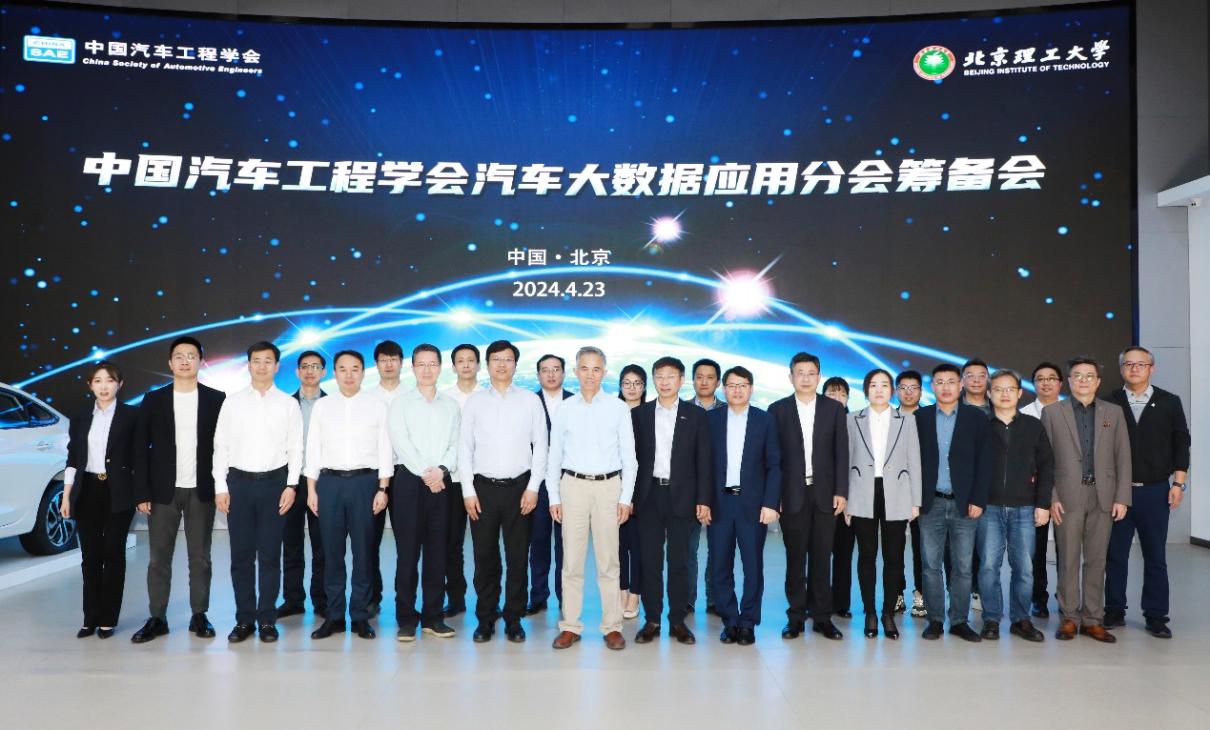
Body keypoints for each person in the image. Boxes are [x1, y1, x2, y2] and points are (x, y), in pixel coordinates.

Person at [131, 336, 226, 644]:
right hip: (163, 491)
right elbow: (139, 448)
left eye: (191, 356)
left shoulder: (216, 399)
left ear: (200, 361)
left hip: (201, 489)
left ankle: (199, 615)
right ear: (170, 363)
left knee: (200, 557)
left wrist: (223, 485)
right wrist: (141, 492)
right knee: (158, 559)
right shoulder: (154, 399)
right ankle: (157, 617)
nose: (185, 361)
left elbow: (224, 447)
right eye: (179, 356)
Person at [548, 347, 638, 651]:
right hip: (572, 486)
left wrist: (625, 498)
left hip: (608, 487)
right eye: (584, 368)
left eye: (596, 369)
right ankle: (570, 626)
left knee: (609, 561)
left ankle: (612, 626)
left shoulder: (617, 408)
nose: (590, 374)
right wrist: (553, 496)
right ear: (575, 371)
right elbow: (554, 455)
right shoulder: (565, 408)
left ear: (604, 372)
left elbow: (630, 458)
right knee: (571, 561)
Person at [212, 341, 303, 643]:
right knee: (240, 556)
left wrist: (291, 485)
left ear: (277, 366)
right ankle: (244, 620)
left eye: (268, 361)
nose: (262, 366)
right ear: (248, 365)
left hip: (275, 484)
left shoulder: (288, 404)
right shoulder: (233, 402)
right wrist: (220, 486)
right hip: (238, 484)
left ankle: (266, 620)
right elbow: (221, 446)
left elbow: (295, 448)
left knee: (270, 555)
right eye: (256, 361)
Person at [459, 340, 547, 643]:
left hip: (519, 489)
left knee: (518, 556)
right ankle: (485, 618)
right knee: (484, 557)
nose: (501, 364)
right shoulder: (475, 402)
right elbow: (464, 447)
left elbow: (541, 446)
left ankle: (513, 618)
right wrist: (468, 491)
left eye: (507, 359)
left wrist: (533, 488)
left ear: (515, 364)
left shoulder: (530, 401)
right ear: (487, 364)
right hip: (482, 489)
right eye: (496, 359)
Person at [1041, 356, 1131, 643]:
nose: (1083, 380)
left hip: (1104, 495)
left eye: (1089, 376)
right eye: (1077, 376)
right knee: (1068, 559)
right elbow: (1044, 460)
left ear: (1098, 381)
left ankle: (1093, 618)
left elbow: (1123, 456)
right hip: (1066, 496)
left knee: (1096, 559)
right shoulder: (1052, 413)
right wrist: (1051, 496)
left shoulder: (1113, 412)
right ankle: (1069, 617)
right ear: (1068, 381)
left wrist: (1122, 497)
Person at [304, 350, 393, 640]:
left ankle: (360, 616)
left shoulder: (376, 405)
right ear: (334, 373)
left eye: (355, 368)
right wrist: (311, 489)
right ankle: (334, 616)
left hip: (365, 483)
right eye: (342, 369)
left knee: (364, 553)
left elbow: (385, 447)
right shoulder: (323, 406)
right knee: (331, 553)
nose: (349, 374)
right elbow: (313, 448)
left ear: (363, 372)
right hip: (329, 483)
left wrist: (383, 488)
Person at [1105, 346, 1188, 638]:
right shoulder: (1109, 402)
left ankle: (1156, 615)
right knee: (1115, 555)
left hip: (1155, 491)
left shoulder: (1169, 401)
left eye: (1141, 364)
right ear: (1121, 369)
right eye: (1128, 364)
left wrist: (1178, 483)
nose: (1134, 369)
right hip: (1118, 493)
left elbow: (1181, 443)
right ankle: (1114, 609)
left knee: (1155, 556)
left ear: (1152, 368)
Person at [632, 357, 712, 646]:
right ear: (653, 379)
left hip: (683, 498)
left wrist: (704, 499)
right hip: (648, 496)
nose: (664, 382)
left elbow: (704, 460)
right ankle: (652, 619)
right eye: (659, 376)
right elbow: (631, 459)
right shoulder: (640, 414)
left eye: (671, 376)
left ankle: (677, 620)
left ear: (681, 380)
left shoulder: (696, 415)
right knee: (649, 561)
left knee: (679, 561)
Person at [768, 353, 848, 642]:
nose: (805, 378)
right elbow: (773, 459)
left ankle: (823, 618)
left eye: (810, 373)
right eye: (799, 373)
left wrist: (841, 491)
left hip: (825, 493)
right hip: (792, 494)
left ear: (818, 377)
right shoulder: (777, 410)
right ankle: (796, 617)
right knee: (795, 558)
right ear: (791, 377)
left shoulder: (833, 409)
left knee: (822, 558)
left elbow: (841, 453)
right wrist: (774, 496)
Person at [914, 363, 992, 643]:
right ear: (932, 386)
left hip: (964, 504)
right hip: (930, 503)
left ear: (960, 386)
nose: (945, 387)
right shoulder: (920, 417)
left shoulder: (976, 418)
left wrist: (978, 499)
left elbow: (985, 461)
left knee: (962, 566)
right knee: (930, 565)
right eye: (939, 382)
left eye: (951, 382)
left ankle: (959, 620)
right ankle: (935, 620)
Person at [387, 344, 460, 641]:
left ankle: (433, 617)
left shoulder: (451, 405)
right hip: (409, 481)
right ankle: (406, 618)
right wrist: (426, 474)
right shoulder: (401, 403)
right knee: (407, 553)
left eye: (432, 364)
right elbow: (400, 442)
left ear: (440, 367)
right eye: (421, 364)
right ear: (413, 368)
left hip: (441, 482)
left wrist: (440, 470)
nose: (427, 370)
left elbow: (455, 444)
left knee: (437, 552)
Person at [61, 361, 138, 639]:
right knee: (90, 556)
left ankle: (108, 619)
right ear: (90, 385)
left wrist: (142, 494)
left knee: (113, 553)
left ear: (120, 384)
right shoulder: (80, 418)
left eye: (110, 380)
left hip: (119, 492)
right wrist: (67, 495)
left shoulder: (132, 415)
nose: (104, 386)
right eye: (98, 381)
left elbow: (140, 457)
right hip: (87, 490)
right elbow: (73, 459)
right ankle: (90, 618)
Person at [977, 370, 1054, 643]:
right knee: (988, 566)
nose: (1005, 394)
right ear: (989, 393)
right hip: (989, 508)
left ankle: (1021, 619)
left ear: (1020, 393)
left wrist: (1043, 504)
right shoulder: (980, 425)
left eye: (1010, 389)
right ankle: (991, 618)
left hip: (1024, 508)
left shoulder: (1033, 426)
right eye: (998, 389)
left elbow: (1047, 466)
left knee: (1024, 568)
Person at [846, 369, 922, 640]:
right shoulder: (852, 419)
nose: (879, 390)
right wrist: (846, 500)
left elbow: (914, 460)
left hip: (897, 492)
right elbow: (846, 460)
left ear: (892, 390)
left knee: (894, 556)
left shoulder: (907, 420)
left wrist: (915, 500)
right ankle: (869, 612)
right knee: (866, 555)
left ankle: (888, 613)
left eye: (884, 385)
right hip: (862, 492)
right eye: (873, 385)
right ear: (866, 390)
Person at [708, 366, 781, 646]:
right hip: (720, 503)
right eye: (732, 385)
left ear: (751, 388)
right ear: (723, 388)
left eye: (742, 385)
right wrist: (703, 501)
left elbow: (774, 465)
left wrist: (771, 503)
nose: (737, 390)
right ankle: (730, 620)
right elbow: (702, 465)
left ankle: (748, 622)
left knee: (753, 566)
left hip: (752, 504)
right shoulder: (711, 420)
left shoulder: (765, 420)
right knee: (719, 565)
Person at [280, 350, 327, 620]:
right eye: (305, 366)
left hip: (322, 481)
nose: (310, 371)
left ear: (323, 372)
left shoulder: (332, 405)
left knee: (323, 546)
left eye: (316, 366)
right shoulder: (285, 405)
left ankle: (321, 600)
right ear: (297, 372)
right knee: (291, 544)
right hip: (291, 482)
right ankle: (293, 600)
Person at [529, 353, 573, 616]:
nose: (551, 374)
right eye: (545, 370)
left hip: (569, 482)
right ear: (538, 375)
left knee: (567, 544)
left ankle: (566, 596)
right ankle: (538, 596)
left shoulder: (576, 402)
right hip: (539, 482)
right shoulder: (529, 402)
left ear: (564, 373)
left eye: (556, 369)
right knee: (538, 542)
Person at [1021, 362, 1063, 618]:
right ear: (1034, 384)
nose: (1046, 383)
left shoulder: (1071, 413)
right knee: (1035, 551)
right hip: (1033, 492)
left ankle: (1066, 597)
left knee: (1066, 549)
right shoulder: (1023, 415)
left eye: (1051, 378)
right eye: (1040, 379)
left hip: (1067, 491)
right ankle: (1039, 598)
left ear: (1060, 383)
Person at [366, 340, 405, 617]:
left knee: (408, 542)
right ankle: (371, 598)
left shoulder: (413, 395)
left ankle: (406, 600)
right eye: (383, 360)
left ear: (401, 363)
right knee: (369, 540)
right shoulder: (366, 397)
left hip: (405, 473)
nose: (389, 364)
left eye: (393, 359)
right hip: (373, 475)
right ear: (376, 364)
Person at [442, 343, 481, 618]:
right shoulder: (444, 397)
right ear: (454, 366)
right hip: (452, 480)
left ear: (478, 365)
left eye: (471, 360)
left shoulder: (488, 396)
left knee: (485, 545)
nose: (466, 365)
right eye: (460, 361)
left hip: (483, 479)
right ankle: (456, 599)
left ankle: (488, 600)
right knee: (451, 543)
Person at [687, 358, 724, 616]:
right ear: (692, 380)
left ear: (718, 382)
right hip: (689, 489)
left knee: (719, 548)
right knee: (687, 549)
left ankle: (715, 599)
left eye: (710, 377)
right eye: (699, 376)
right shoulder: (682, 409)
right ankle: (687, 599)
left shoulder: (730, 409)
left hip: (721, 489)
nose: (704, 382)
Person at [819, 376, 855, 619]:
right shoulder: (817, 420)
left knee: (843, 553)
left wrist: (850, 498)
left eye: (842, 394)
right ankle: (818, 601)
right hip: (820, 497)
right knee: (819, 553)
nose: (837, 399)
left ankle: (841, 603)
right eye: (832, 394)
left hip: (848, 500)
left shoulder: (855, 423)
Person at [895, 369, 927, 618]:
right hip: (893, 490)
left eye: (913, 387)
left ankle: (920, 593)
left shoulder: (929, 418)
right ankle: (896, 592)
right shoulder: (887, 418)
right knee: (894, 545)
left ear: (920, 391)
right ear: (896, 391)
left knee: (921, 546)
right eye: (903, 388)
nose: (908, 392)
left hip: (922, 491)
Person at [617, 363, 647, 620]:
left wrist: (635, 496)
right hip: (612, 489)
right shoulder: (612, 412)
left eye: (637, 383)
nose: (632, 387)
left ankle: (635, 594)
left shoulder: (649, 415)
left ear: (644, 387)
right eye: (627, 383)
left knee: (638, 547)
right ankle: (621, 591)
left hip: (641, 493)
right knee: (616, 546)